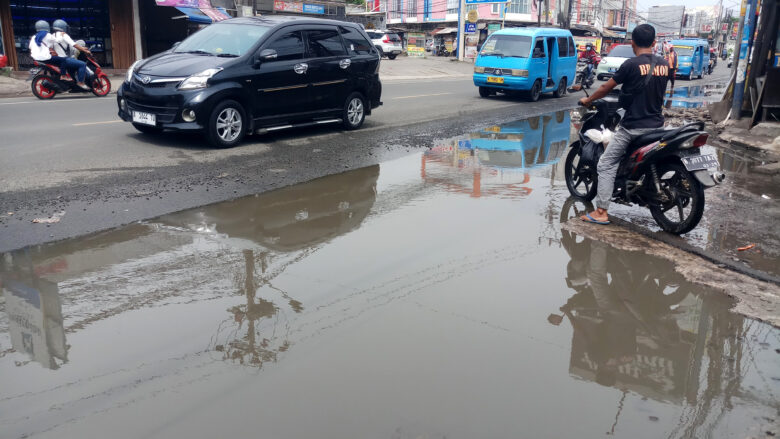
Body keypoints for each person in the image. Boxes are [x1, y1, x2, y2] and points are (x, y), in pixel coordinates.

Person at [579, 24, 669, 225]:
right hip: (657, 126)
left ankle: (601, 211)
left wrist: (588, 99)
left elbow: (605, 87)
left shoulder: (630, 64)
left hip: (633, 127)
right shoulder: (664, 64)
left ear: (632, 42)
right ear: (654, 43)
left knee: (606, 163)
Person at [50, 19, 92, 89]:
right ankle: (81, 82)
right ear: (63, 27)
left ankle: (73, 86)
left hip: (56, 60)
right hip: (64, 60)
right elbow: (74, 44)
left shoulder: (51, 36)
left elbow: (50, 48)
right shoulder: (64, 35)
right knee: (82, 64)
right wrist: (85, 50)